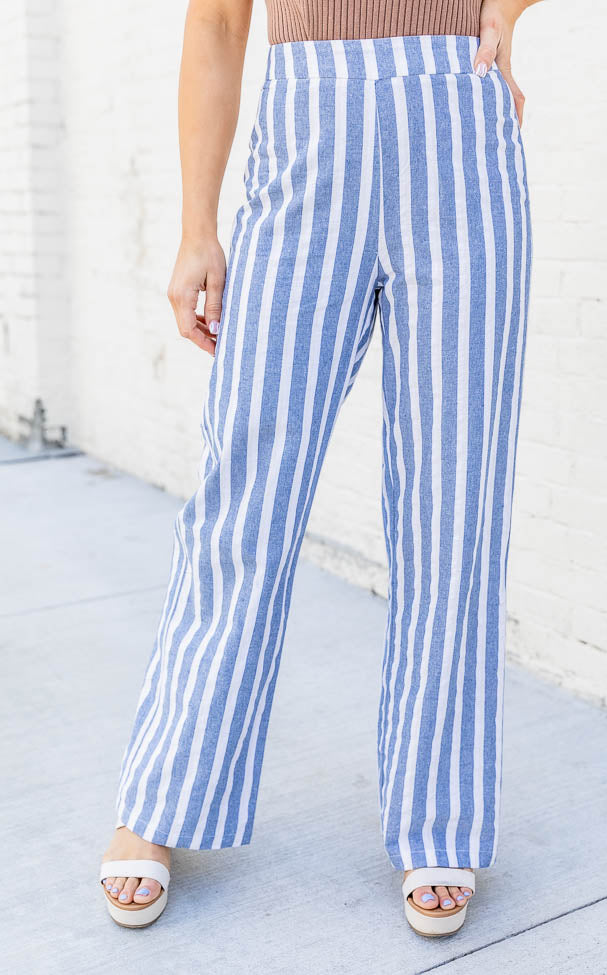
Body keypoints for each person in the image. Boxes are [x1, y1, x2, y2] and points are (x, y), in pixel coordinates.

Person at [100, 0, 538, 936]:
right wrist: (197, 226)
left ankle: (440, 813)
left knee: (454, 498)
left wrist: (504, 11)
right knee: (244, 493)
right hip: (305, 146)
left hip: (460, 144)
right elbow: (218, 24)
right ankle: (164, 795)